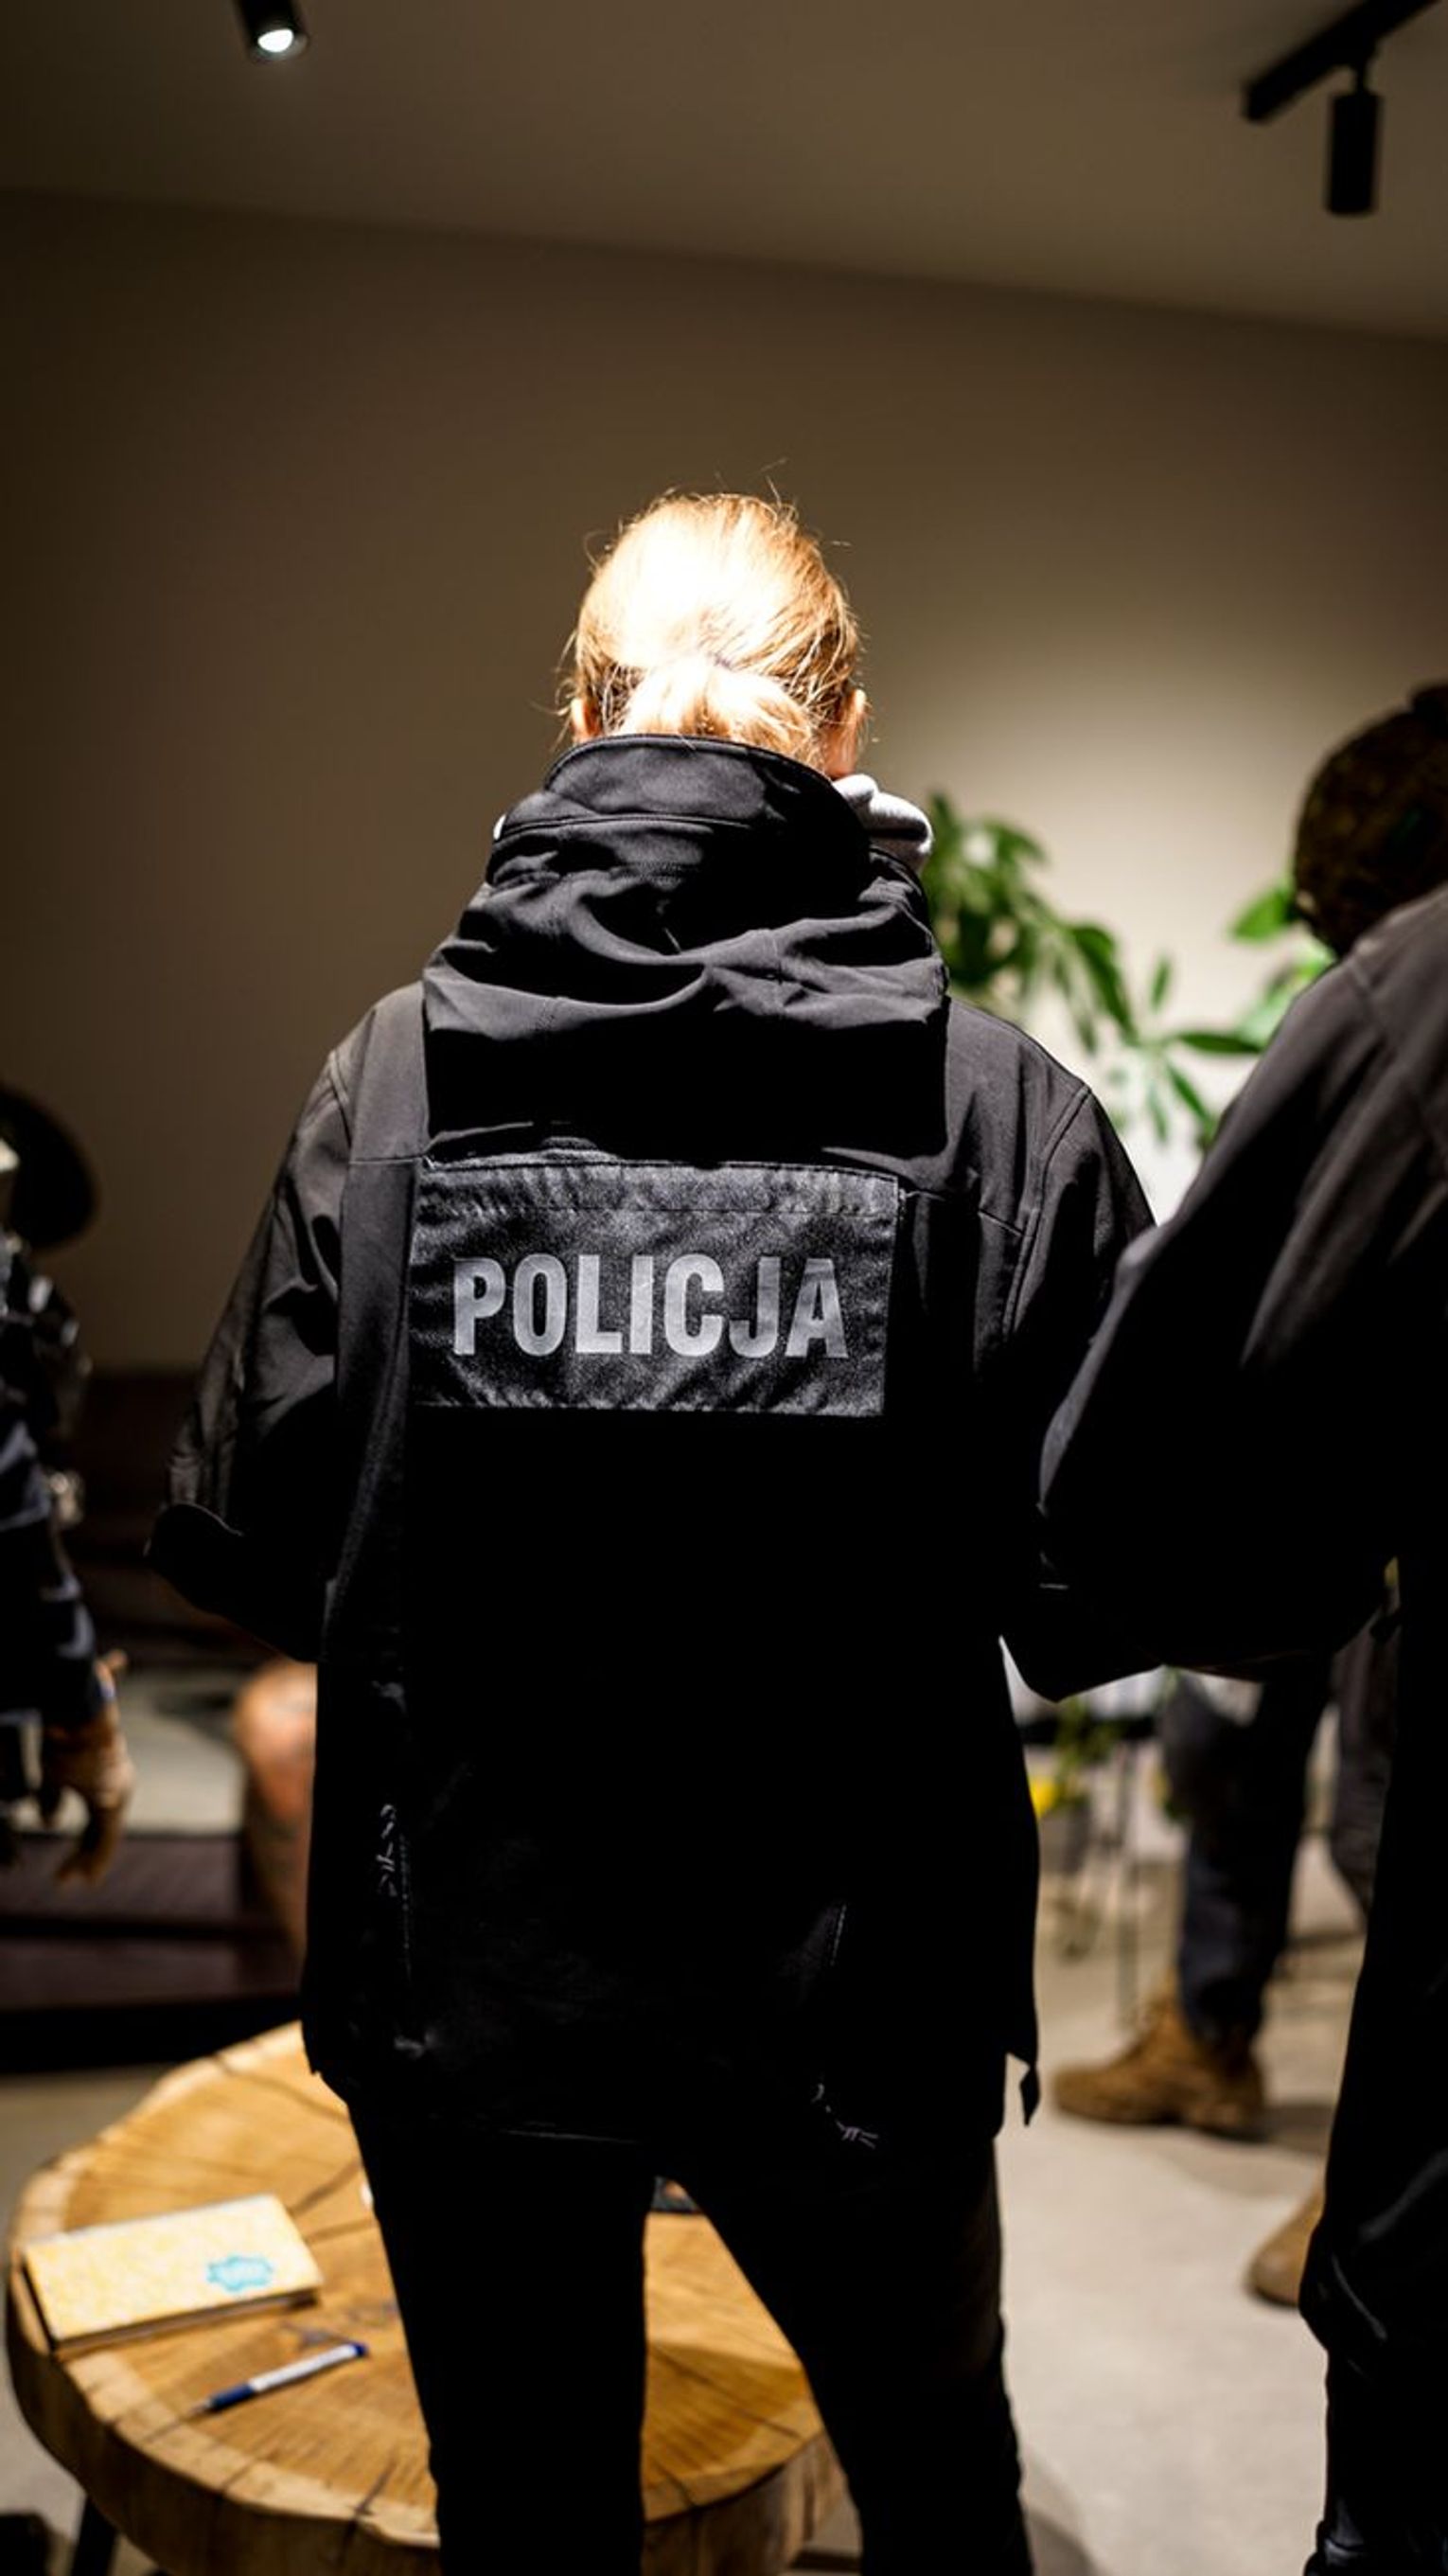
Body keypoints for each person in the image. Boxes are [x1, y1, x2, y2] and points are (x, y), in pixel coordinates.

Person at [150, 491, 1149, 2574]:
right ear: (846, 727)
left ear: (582, 713)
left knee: (531, 2523)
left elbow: (246, 1534)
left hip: (471, 2000)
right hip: (855, 2009)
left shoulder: (392, 1087)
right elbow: (1101, 1582)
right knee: (936, 2487)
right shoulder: (995, 1111)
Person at [1042, 684, 1448, 2572]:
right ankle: (1211, 2031)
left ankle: (1316, 2122)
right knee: (1235, 1717)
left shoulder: (1416, 998)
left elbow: (1182, 1431)